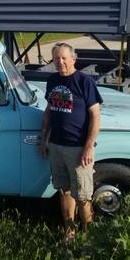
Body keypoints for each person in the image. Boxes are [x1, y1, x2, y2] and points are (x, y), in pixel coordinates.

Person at [40, 43, 103, 242]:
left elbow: (95, 116)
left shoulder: (84, 81)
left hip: (78, 148)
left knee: (83, 195)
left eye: (64, 58)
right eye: (56, 59)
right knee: (64, 190)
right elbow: (49, 111)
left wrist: (88, 146)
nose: (60, 62)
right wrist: (44, 139)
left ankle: (88, 235)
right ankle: (70, 232)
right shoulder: (52, 81)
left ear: (73, 58)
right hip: (57, 145)